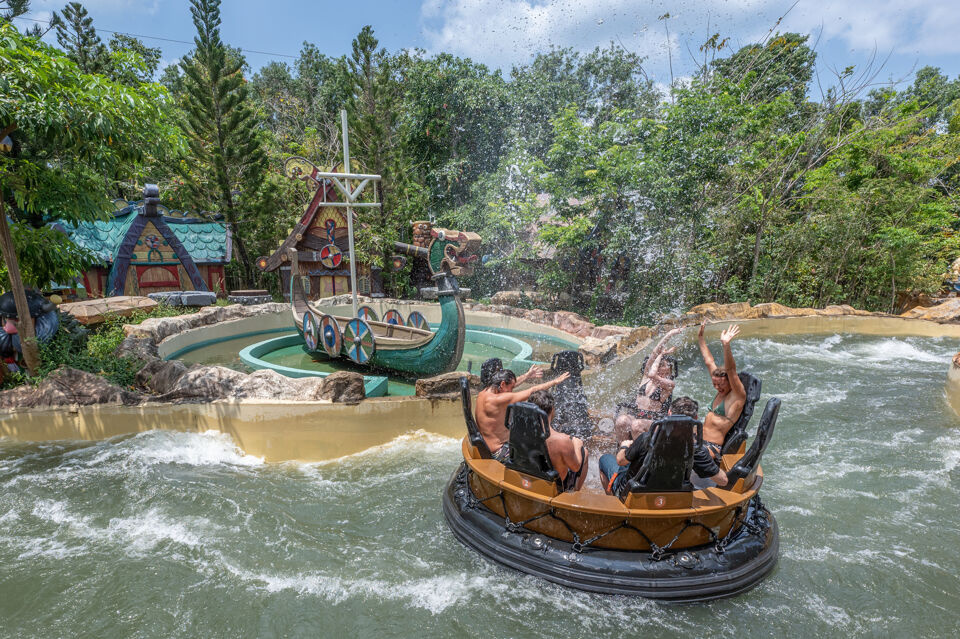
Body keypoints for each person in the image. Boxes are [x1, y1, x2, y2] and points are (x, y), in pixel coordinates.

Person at [598, 397, 728, 496]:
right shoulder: (695, 448)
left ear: (669, 413)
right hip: (674, 494)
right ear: (695, 418)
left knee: (604, 459)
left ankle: (614, 502)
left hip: (634, 493)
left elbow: (620, 461)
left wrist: (624, 447)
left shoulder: (647, 438)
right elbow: (723, 481)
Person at [476, 369, 570, 462]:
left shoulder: (483, 393)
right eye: (511, 388)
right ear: (502, 384)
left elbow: (509, 385)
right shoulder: (499, 400)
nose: (512, 391)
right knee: (541, 452)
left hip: (485, 447)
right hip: (499, 452)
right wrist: (554, 382)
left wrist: (527, 375)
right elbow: (532, 391)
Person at [615, 327, 683, 440]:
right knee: (621, 421)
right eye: (659, 364)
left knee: (636, 425)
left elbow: (652, 374)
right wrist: (669, 335)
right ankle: (623, 450)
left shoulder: (669, 384)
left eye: (663, 364)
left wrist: (661, 355)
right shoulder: (646, 378)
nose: (659, 366)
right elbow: (654, 352)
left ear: (669, 369)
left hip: (653, 420)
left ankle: (639, 454)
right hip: (636, 415)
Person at [698, 322, 747, 459]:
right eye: (714, 384)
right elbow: (708, 361)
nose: (717, 388)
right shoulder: (720, 386)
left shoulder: (737, 395)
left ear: (730, 382)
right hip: (699, 441)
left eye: (721, 385)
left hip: (711, 447)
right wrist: (701, 338)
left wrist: (726, 345)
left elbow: (731, 370)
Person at [528, 390, 588, 492]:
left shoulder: (522, 430)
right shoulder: (561, 440)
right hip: (554, 486)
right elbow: (576, 467)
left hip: (532, 478)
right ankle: (574, 491)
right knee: (584, 452)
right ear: (552, 409)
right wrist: (577, 445)